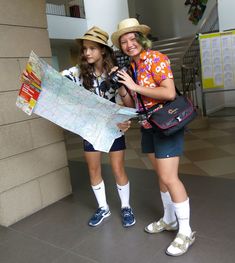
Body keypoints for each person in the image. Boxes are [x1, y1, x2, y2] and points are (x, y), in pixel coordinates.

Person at [111, 18, 195, 256]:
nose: (129, 44)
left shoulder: (156, 59)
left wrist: (136, 87)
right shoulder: (130, 68)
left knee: (170, 177)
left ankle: (186, 230)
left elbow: (168, 93)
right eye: (124, 42)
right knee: (161, 176)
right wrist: (123, 87)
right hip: (148, 126)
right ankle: (169, 219)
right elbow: (131, 103)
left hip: (167, 123)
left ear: (141, 39)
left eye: (132, 38)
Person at [61, 26, 136, 228]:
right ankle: (103, 207)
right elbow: (56, 81)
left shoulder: (116, 73)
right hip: (90, 129)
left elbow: (130, 106)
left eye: (92, 48)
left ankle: (126, 207)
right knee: (93, 170)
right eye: (85, 49)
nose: (86, 53)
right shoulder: (76, 73)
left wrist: (120, 85)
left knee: (118, 169)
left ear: (103, 50)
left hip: (113, 128)